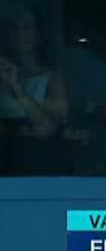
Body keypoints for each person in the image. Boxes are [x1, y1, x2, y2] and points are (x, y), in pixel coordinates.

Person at [0, 9, 69, 174]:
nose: (19, 33)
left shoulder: (52, 78)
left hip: (40, 166)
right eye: (13, 27)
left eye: (26, 27)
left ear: (39, 35)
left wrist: (17, 89)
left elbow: (48, 127)